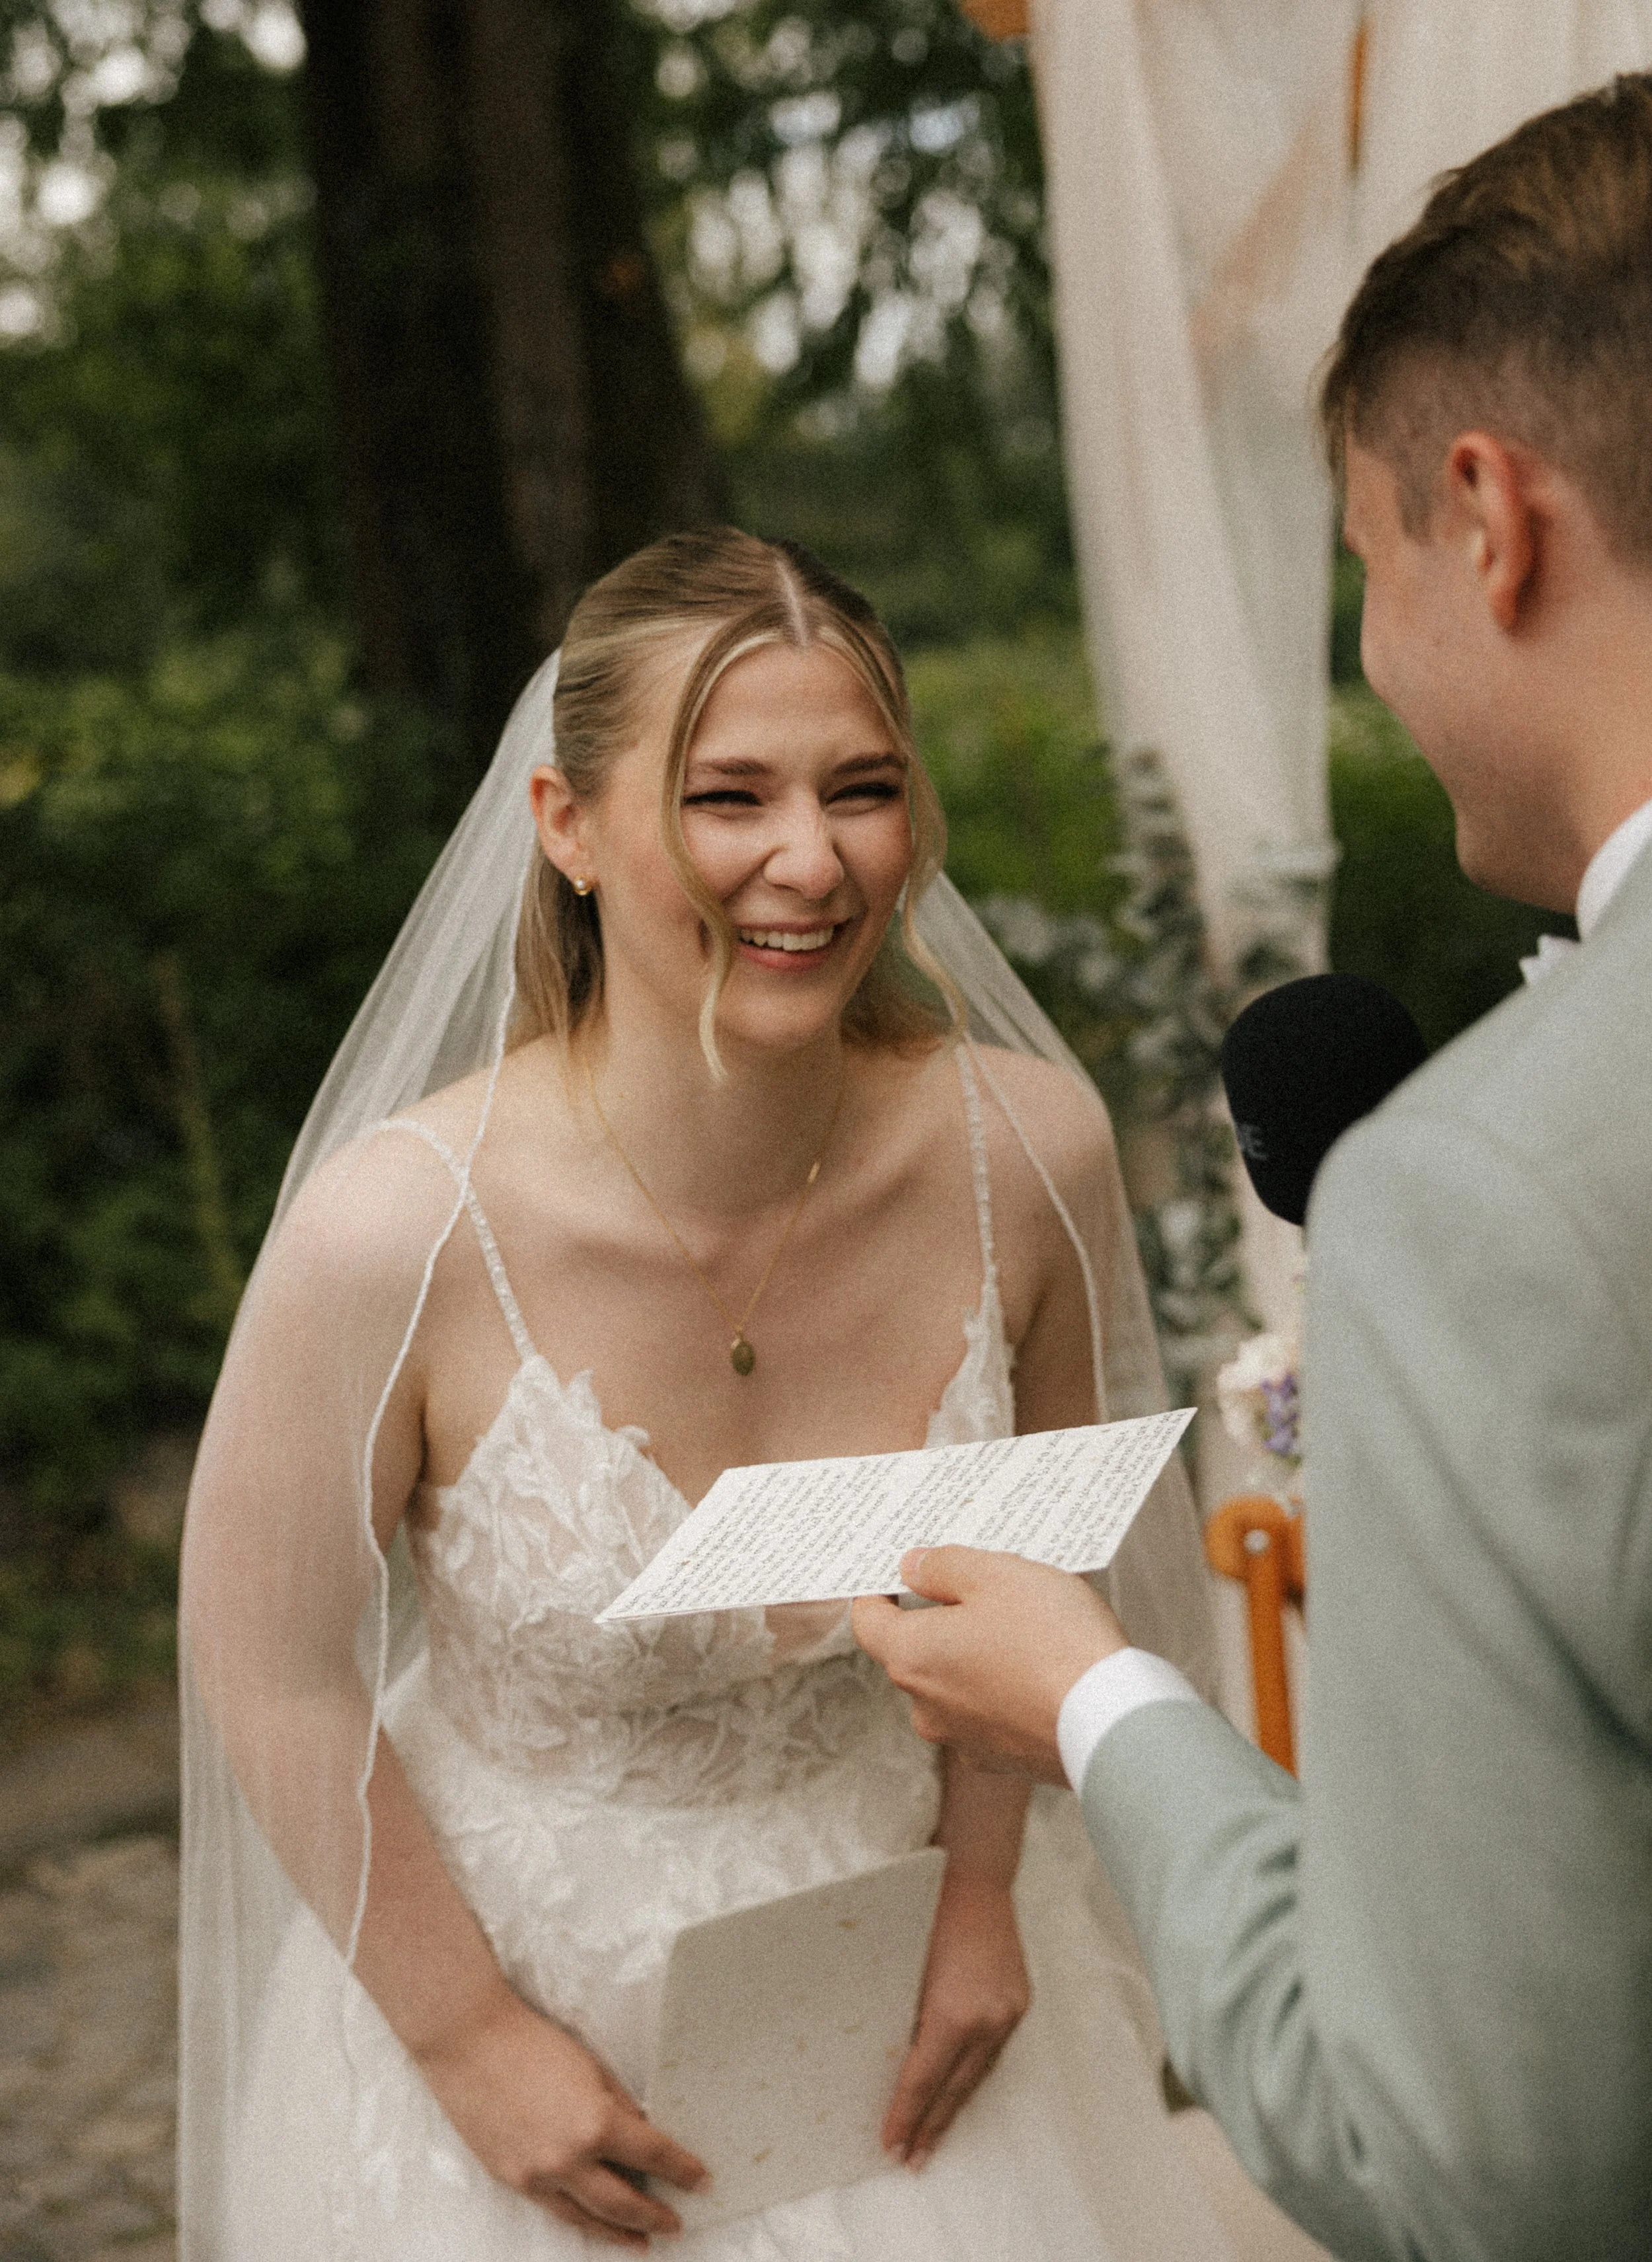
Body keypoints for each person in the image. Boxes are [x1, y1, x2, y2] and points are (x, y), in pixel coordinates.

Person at [175, 529, 1232, 2259]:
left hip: (902, 1995)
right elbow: (270, 1659)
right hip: (521, 2019)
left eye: (861, 787)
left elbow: (1052, 1564)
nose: (809, 859)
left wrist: (981, 1894)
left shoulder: (1029, 1150)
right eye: (727, 797)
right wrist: (464, 2036)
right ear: (566, 826)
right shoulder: (393, 1233)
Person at [855, 71, 1652, 2262]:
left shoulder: (1488, 1191)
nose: (1372, 661)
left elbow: (1472, 2163)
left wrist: (1093, 1694)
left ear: (1484, 519)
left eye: (1364, 563)